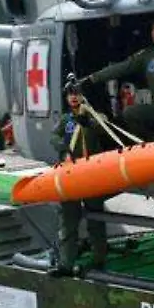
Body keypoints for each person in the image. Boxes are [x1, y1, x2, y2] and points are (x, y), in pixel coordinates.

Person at [80, 16, 154, 142]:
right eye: (153, 29)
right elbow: (122, 67)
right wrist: (91, 79)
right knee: (130, 113)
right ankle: (149, 142)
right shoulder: (148, 54)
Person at [50, 80, 111, 275]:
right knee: (68, 219)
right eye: (70, 94)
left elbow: (104, 127)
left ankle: (99, 258)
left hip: (92, 173)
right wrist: (63, 149)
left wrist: (88, 122)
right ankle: (66, 264)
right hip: (71, 173)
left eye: (77, 93)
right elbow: (53, 136)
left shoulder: (95, 115)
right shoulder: (66, 120)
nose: (73, 97)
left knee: (96, 218)